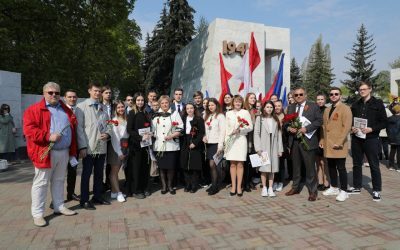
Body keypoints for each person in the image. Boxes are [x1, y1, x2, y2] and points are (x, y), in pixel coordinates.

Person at [23, 82, 78, 227]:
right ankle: (37, 214)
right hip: (45, 152)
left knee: (59, 180)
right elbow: (29, 130)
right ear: (44, 93)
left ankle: (59, 206)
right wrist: (47, 136)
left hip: (64, 151)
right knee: (41, 183)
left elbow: (73, 126)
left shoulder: (65, 109)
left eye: (57, 93)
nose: (54, 95)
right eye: (50, 92)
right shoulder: (34, 110)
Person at [349, 82, 387, 201]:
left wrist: (371, 129)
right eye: (360, 89)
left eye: (364, 89)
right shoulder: (356, 104)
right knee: (356, 163)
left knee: (374, 165)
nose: (362, 91)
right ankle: (357, 186)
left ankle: (376, 190)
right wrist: (352, 127)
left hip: (371, 139)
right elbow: (351, 120)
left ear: (370, 89)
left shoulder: (378, 103)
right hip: (356, 138)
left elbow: (384, 122)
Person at [76, 83, 112, 210]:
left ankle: (97, 196)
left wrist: (107, 133)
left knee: (99, 173)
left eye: (99, 91)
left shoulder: (103, 108)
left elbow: (109, 125)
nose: (97, 93)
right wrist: (82, 147)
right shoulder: (81, 107)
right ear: (89, 91)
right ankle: (84, 200)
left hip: (101, 146)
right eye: (95, 91)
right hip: (89, 147)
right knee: (86, 175)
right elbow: (79, 129)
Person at [285, 87, 322, 202]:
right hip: (295, 142)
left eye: (301, 94)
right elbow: (285, 122)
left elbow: (319, 121)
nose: (298, 97)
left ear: (305, 95)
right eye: (296, 95)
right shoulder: (291, 107)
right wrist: (288, 127)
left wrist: (307, 128)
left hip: (308, 141)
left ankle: (312, 192)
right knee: (296, 166)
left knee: (310, 167)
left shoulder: (313, 106)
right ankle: (295, 188)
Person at [320, 87, 352, 202]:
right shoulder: (327, 110)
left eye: (336, 94)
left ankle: (344, 191)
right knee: (331, 167)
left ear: (340, 95)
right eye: (331, 94)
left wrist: (339, 142)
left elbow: (347, 127)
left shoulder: (345, 109)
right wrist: (322, 140)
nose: (333, 95)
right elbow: (324, 127)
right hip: (328, 144)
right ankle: (334, 187)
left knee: (341, 168)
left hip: (339, 144)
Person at [152, 95, 183, 194]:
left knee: (170, 167)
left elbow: (180, 128)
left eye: (166, 103)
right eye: (162, 103)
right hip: (159, 145)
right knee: (161, 167)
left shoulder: (175, 114)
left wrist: (172, 135)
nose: (165, 104)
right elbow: (152, 130)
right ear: (160, 104)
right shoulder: (155, 115)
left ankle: (170, 186)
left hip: (171, 145)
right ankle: (164, 186)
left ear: (169, 103)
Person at [225, 95, 253, 197]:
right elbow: (226, 127)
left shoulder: (245, 112)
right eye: (236, 102)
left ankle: (239, 187)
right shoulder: (228, 113)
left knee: (240, 164)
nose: (237, 103)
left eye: (239, 102)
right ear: (233, 103)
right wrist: (227, 139)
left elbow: (250, 127)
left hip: (241, 139)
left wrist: (240, 130)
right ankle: (233, 186)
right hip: (231, 140)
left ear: (242, 103)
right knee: (232, 164)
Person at [254, 101, 283, 197]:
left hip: (274, 146)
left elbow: (279, 135)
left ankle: (270, 188)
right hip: (263, 146)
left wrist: (280, 149)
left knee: (272, 168)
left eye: (271, 107)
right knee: (263, 168)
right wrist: (258, 148)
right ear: (264, 108)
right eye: (267, 107)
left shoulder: (276, 119)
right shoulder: (259, 118)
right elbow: (256, 134)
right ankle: (264, 188)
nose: (269, 109)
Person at [127, 93, 152, 198]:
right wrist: (141, 138)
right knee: (136, 168)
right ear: (135, 101)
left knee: (145, 167)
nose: (140, 102)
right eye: (138, 100)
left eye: (142, 100)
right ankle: (136, 190)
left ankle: (144, 187)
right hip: (136, 145)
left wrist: (150, 133)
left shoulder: (146, 113)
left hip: (145, 145)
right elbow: (129, 130)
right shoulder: (132, 113)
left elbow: (148, 127)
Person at [180, 103, 205, 193]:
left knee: (194, 165)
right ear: (185, 110)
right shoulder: (182, 119)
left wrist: (195, 143)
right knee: (185, 164)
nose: (189, 110)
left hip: (195, 142)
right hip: (185, 142)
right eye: (188, 108)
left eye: (191, 108)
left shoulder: (199, 119)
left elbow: (202, 133)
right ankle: (188, 184)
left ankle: (194, 185)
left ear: (194, 109)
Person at [203, 98, 226, 195]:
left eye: (212, 105)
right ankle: (214, 184)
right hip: (209, 144)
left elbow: (222, 132)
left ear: (216, 105)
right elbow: (206, 129)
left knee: (214, 165)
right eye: (209, 105)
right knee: (212, 166)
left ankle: (216, 186)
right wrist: (204, 136)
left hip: (217, 144)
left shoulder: (220, 116)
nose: (210, 107)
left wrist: (220, 146)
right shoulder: (207, 116)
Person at [107, 101, 128, 202]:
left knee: (116, 171)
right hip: (116, 148)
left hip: (124, 146)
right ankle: (119, 193)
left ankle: (114, 192)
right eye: (118, 107)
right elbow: (114, 139)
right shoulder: (113, 121)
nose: (121, 109)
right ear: (115, 109)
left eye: (122, 107)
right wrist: (119, 152)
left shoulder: (126, 118)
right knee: (114, 172)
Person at [62, 90, 80, 201]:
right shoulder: (61, 111)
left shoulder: (79, 111)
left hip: (75, 147)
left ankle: (71, 193)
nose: (72, 99)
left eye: (74, 97)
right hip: (62, 147)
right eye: (69, 97)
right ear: (65, 98)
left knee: (72, 171)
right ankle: (56, 198)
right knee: (58, 175)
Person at [243, 92, 258, 192]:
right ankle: (245, 183)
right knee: (246, 162)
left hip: (255, 138)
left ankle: (250, 180)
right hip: (246, 138)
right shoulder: (244, 111)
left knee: (253, 162)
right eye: (251, 98)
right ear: (247, 99)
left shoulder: (256, 110)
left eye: (254, 98)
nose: (253, 99)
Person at [316, 93, 330, 191]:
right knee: (318, 162)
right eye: (318, 99)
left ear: (325, 100)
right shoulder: (314, 109)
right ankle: (320, 182)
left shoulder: (327, 110)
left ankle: (326, 182)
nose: (320, 101)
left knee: (325, 162)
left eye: (322, 99)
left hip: (324, 138)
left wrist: (323, 139)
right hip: (314, 138)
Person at [102, 86, 113, 193]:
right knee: (101, 162)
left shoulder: (113, 106)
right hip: (102, 136)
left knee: (110, 162)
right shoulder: (99, 106)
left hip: (113, 137)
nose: (108, 94)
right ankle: (101, 184)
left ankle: (109, 182)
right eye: (106, 92)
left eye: (110, 93)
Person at [272, 99, 285, 192]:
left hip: (282, 142)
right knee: (273, 163)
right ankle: (273, 181)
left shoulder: (285, 117)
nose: (277, 107)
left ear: (282, 107)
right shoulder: (271, 116)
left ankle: (280, 181)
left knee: (280, 164)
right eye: (275, 106)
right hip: (272, 143)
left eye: (279, 105)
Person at [387, 104, 400, 171]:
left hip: (391, 138)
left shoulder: (389, 119)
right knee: (399, 153)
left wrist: (389, 135)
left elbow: (387, 129)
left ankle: (390, 166)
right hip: (398, 138)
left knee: (392, 151)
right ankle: (398, 166)